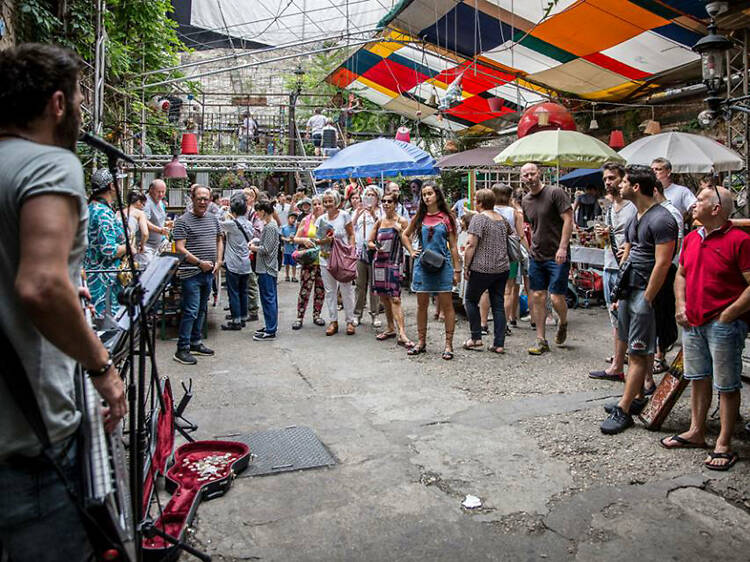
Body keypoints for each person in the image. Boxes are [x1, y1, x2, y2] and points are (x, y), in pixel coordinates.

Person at [0, 42, 126, 559]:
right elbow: (41, 286)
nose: (80, 111)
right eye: (78, 99)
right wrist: (101, 366)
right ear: (57, 104)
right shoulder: (50, 164)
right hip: (26, 438)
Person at [663, 186, 750, 470]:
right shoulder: (691, 238)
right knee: (698, 378)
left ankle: (723, 442)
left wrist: (729, 313)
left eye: (700, 200)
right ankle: (696, 431)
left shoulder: (740, 240)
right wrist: (680, 304)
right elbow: (682, 275)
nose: (693, 204)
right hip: (693, 321)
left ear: (716, 209)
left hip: (723, 324)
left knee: (727, 384)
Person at [600, 165, 677, 434]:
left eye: (623, 182)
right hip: (630, 290)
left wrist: (647, 298)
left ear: (635, 187)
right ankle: (637, 397)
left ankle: (623, 410)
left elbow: (663, 264)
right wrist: (620, 294)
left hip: (645, 293)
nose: (617, 186)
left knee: (637, 352)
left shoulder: (662, 219)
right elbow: (629, 255)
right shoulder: (637, 216)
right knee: (635, 350)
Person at [589, 162, 637, 382]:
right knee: (614, 318)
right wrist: (604, 234)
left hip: (626, 268)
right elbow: (605, 241)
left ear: (623, 179)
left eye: (613, 178)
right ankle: (618, 365)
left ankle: (640, 372)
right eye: (606, 179)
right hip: (609, 264)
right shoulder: (609, 208)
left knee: (632, 317)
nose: (608, 182)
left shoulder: (633, 207)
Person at [520, 162, 574, 355]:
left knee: (556, 296)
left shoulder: (555, 193)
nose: (529, 177)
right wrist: (530, 247)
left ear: (539, 174)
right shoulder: (525, 200)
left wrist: (563, 247)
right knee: (537, 296)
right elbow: (532, 226)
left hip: (557, 253)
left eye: (532, 173)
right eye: (525, 175)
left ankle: (563, 322)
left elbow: (568, 219)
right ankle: (541, 339)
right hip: (537, 254)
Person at [404, 181, 460, 360]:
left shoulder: (446, 217)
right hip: (422, 265)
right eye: (424, 194)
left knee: (447, 304)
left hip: (443, 265)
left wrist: (457, 269)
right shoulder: (419, 217)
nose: (426, 197)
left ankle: (449, 345)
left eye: (429, 193)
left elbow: (453, 246)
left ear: (437, 195)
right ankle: (421, 342)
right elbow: (405, 234)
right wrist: (412, 251)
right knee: (421, 305)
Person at [172, 185, 223, 365]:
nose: (203, 202)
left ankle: (195, 342)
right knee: (191, 311)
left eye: (206, 199)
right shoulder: (183, 221)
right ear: (192, 199)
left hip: (208, 273)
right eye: (199, 198)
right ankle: (182, 348)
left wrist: (218, 260)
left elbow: (219, 238)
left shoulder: (213, 219)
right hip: (191, 273)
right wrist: (199, 263)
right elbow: (179, 248)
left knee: (202, 309)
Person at [462, 189, 511, 353]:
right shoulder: (502, 219)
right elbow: (510, 234)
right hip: (502, 267)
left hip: (482, 267)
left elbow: (471, 244)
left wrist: (466, 266)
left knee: (470, 300)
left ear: (481, 203)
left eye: (476, 200)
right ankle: (499, 343)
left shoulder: (479, 219)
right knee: (498, 305)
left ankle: (476, 337)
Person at [369, 192, 413, 347]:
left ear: (395, 204)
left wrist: (400, 231)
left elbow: (409, 239)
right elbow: (369, 241)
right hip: (379, 262)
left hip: (394, 262)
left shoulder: (402, 221)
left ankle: (402, 333)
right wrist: (375, 246)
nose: (386, 204)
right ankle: (390, 328)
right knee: (384, 297)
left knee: (395, 298)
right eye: (384, 201)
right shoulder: (379, 222)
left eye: (389, 201)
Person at [83, 168, 130, 317]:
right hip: (104, 283)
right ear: (111, 185)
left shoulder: (91, 208)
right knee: (106, 328)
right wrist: (129, 247)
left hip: (94, 277)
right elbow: (109, 250)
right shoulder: (102, 212)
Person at [316, 189, 357, 335]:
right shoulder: (321, 219)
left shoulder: (345, 216)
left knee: (346, 289)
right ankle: (333, 321)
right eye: (325, 201)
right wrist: (325, 240)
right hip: (326, 257)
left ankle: (350, 320)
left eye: (330, 201)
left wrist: (351, 251)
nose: (327, 204)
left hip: (343, 258)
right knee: (330, 291)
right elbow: (318, 240)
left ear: (336, 201)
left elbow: (351, 234)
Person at [493, 183, 529, 330]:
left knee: (492, 290)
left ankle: (490, 322)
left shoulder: (488, 211)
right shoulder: (515, 213)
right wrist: (529, 251)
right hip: (510, 254)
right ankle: (505, 323)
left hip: (491, 254)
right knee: (508, 290)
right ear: (509, 197)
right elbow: (521, 236)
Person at [220, 192, 253, 331]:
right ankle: (244, 316)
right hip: (246, 263)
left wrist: (223, 211)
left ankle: (236, 320)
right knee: (243, 291)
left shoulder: (232, 224)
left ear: (233, 211)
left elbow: (217, 224)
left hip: (233, 264)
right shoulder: (249, 224)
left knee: (233, 292)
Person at [292, 196, 326, 329]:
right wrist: (303, 241)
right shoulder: (306, 220)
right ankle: (299, 317)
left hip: (323, 260)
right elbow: (295, 238)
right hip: (309, 260)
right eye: (315, 204)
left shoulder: (327, 220)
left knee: (320, 290)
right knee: (305, 289)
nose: (317, 206)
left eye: (320, 204)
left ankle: (317, 315)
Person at [249, 200, 280, 341]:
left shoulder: (270, 227)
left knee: (268, 299)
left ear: (263, 211)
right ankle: (270, 325)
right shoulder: (270, 225)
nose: (256, 213)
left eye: (258, 211)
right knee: (270, 298)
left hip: (266, 267)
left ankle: (271, 329)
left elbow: (266, 249)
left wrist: (253, 248)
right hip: (268, 267)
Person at [353, 186, 382, 327]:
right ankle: (357, 314)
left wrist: (374, 215)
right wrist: (358, 213)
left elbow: (383, 227)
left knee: (374, 285)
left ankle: (375, 314)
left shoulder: (381, 212)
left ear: (377, 198)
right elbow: (351, 229)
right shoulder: (358, 212)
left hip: (375, 251)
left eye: (373, 195)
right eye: (367, 195)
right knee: (359, 285)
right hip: (360, 251)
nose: (370, 197)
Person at [123, 190, 150, 268]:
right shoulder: (139, 213)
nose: (143, 206)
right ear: (138, 201)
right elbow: (145, 233)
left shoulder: (118, 213)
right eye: (143, 203)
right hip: (130, 247)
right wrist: (142, 245)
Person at [144, 178, 169, 257]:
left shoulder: (160, 201)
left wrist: (166, 223)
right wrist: (160, 230)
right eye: (158, 192)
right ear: (151, 190)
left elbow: (157, 220)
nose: (161, 194)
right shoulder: (146, 202)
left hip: (158, 244)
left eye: (163, 192)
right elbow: (144, 221)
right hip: (146, 246)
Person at [281, 211, 299, 282]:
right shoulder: (284, 227)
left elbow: (298, 236)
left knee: (294, 264)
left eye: (294, 219)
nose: (293, 220)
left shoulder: (296, 228)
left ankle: (294, 276)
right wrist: (286, 239)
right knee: (286, 263)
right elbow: (282, 237)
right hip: (286, 249)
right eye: (292, 218)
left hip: (294, 249)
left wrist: (293, 239)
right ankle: (287, 275)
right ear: (288, 219)